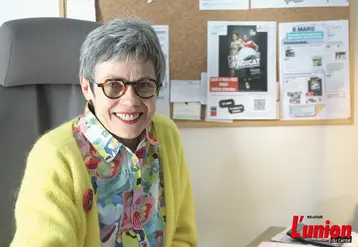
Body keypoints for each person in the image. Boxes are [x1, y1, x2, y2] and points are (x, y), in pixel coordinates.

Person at [10, 16, 197, 247]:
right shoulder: (54, 156)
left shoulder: (166, 135)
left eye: (144, 85)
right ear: (87, 88)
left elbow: (182, 235)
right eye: (113, 85)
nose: (130, 101)